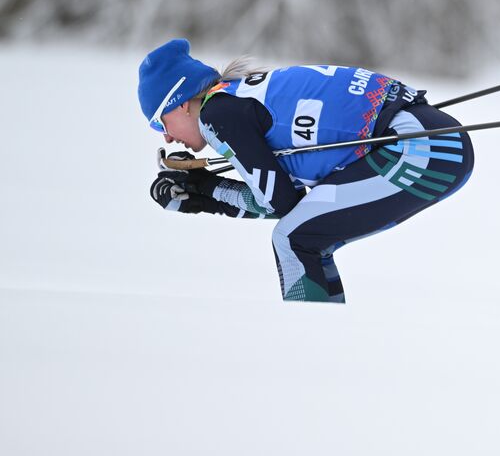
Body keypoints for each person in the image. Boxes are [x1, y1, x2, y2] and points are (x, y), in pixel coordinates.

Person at [139, 38, 473, 303]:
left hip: (421, 149)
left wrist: (205, 194)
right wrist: (203, 193)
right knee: (300, 236)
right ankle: (323, 345)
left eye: (160, 122)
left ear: (181, 103)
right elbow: (289, 201)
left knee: (294, 240)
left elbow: (278, 203)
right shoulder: (235, 97)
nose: (167, 137)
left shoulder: (217, 115)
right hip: (432, 139)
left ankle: (314, 350)